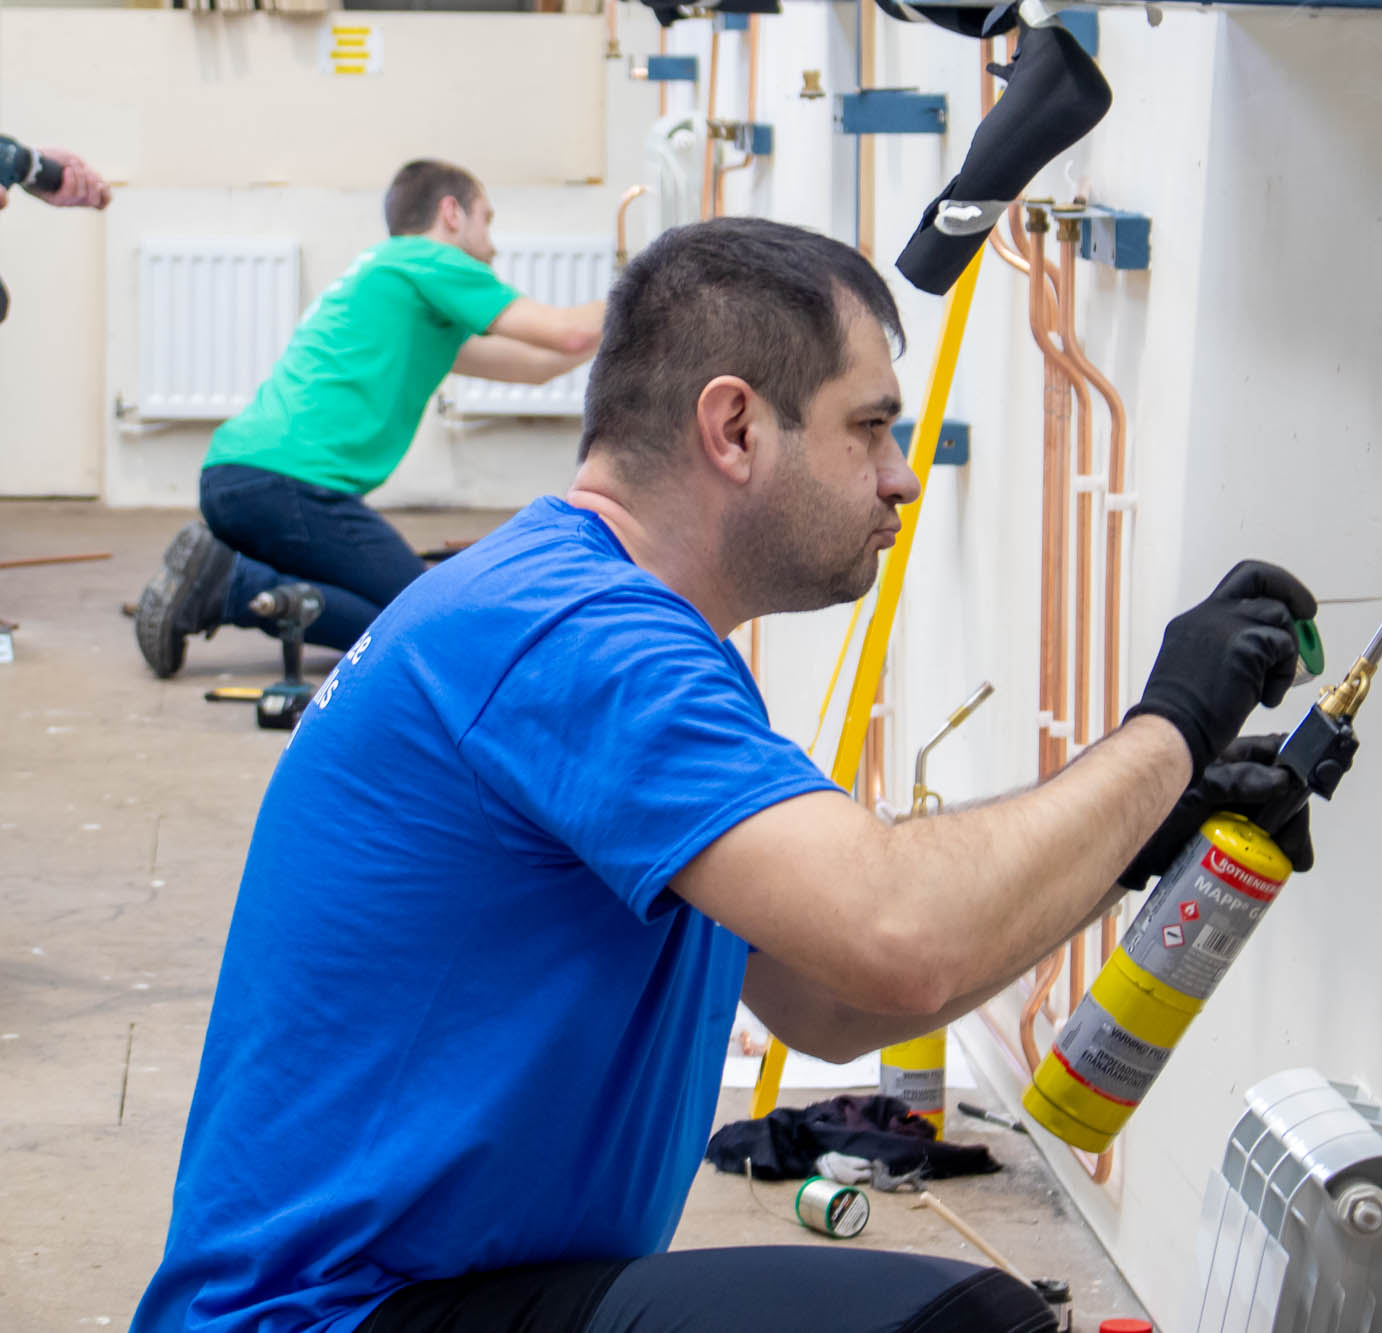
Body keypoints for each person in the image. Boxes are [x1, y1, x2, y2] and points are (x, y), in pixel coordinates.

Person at [131, 217, 1320, 1333]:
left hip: (444, 1293)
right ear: (736, 427)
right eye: (869, 427)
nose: (901, 475)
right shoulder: (574, 636)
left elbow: (834, 1005)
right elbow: (903, 931)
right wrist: (1169, 728)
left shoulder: (599, 622)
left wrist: (1135, 840)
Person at [133, 158, 607, 678]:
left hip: (240, 477)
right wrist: (649, 292)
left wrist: (624, 338)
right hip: (289, 486)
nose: (492, 245)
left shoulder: (395, 282)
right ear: (451, 213)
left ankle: (230, 578)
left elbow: (541, 366)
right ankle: (232, 585)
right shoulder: (428, 261)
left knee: (408, 619)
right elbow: (569, 333)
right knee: (423, 623)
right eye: (485, 220)